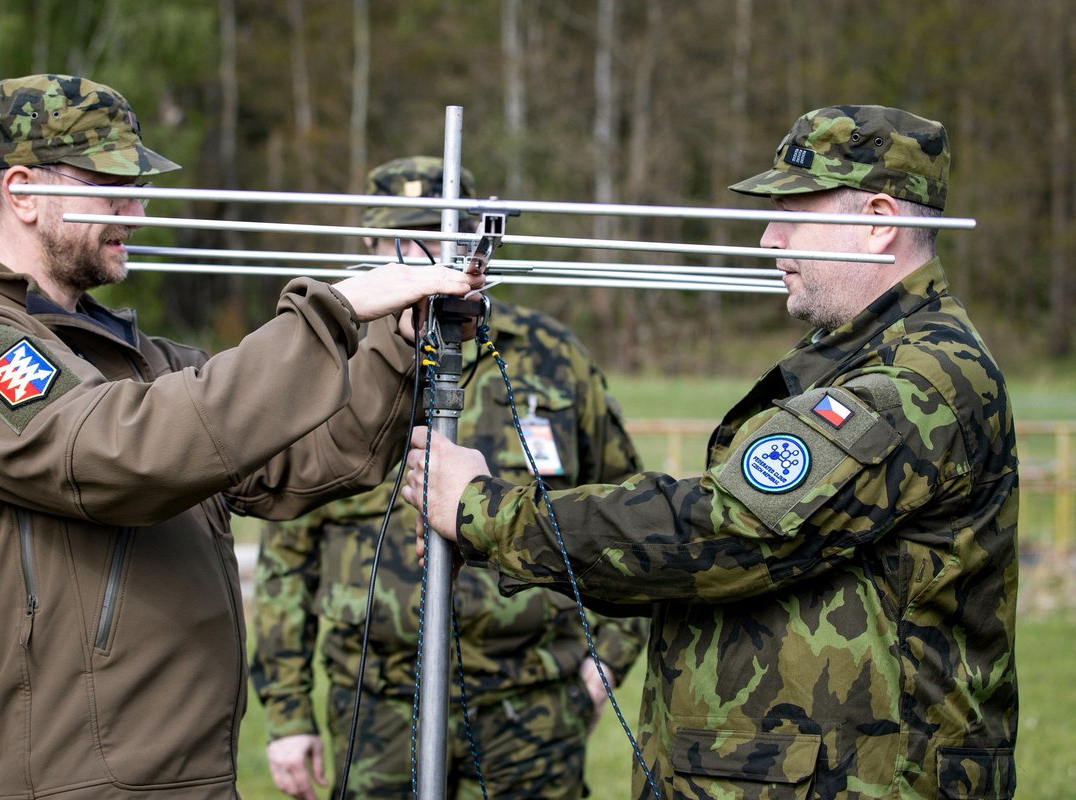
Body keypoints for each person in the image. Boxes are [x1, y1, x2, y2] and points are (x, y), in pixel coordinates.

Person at [403, 106, 1018, 799]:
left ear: (877, 221)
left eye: (791, 211)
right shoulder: (863, 358)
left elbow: (727, 526)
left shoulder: (918, 379)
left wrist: (487, 512)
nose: (767, 238)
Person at [0, 75, 482, 800]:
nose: (136, 214)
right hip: (72, 779)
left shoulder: (130, 354)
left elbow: (318, 455)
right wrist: (331, 310)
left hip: (184, 772)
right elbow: (123, 454)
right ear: (22, 193)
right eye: (113, 191)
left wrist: (398, 338)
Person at [250, 156, 648, 799]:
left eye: (440, 237)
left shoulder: (550, 358)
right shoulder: (334, 369)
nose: (422, 256)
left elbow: (626, 513)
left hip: (531, 703)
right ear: (372, 248)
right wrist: (290, 714)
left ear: (473, 247)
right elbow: (286, 554)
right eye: (402, 241)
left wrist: (607, 662)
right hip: (377, 700)